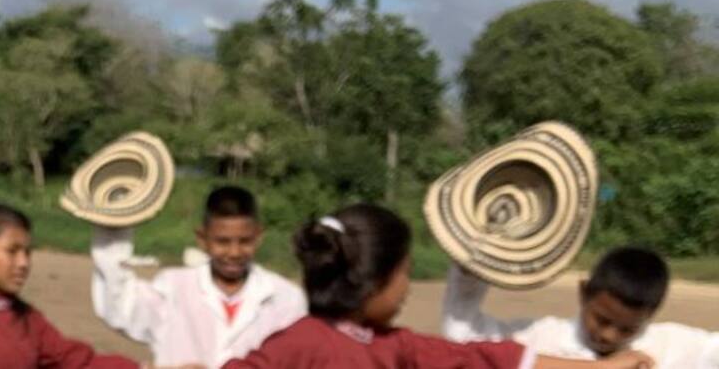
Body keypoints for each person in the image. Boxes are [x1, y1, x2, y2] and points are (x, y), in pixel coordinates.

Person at [219, 204, 654, 369]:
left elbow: (489, 359)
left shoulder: (395, 346)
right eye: (405, 273)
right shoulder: (304, 345)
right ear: (375, 280)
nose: (408, 288)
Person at [0, 203, 196, 369]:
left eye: (27, 252)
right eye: (12, 251)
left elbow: (78, 362)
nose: (23, 263)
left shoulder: (29, 320)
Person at [91, 185, 305, 368]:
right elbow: (119, 308)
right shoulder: (172, 287)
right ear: (202, 239)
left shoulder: (287, 299)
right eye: (222, 241)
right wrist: (113, 229)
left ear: (259, 237)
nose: (234, 252)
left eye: (245, 241)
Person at [442, 246, 719, 366]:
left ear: (651, 315)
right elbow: (463, 338)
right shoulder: (542, 338)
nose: (609, 335)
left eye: (627, 329)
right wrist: (471, 268)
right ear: (584, 293)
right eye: (601, 319)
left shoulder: (674, 346)